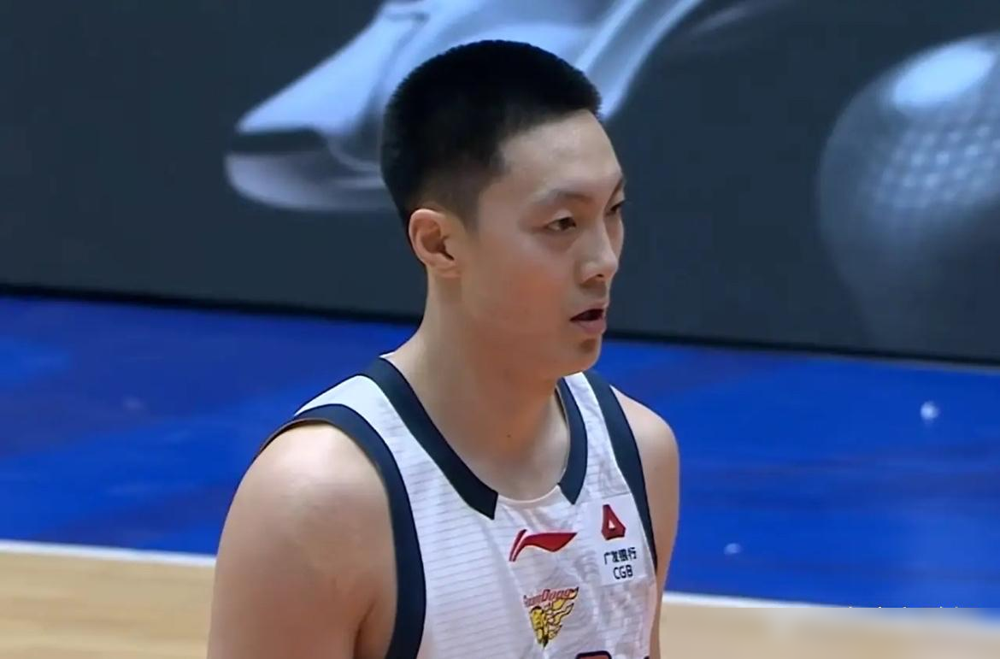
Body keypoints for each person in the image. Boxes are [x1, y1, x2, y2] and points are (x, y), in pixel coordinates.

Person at [207, 40, 680, 659]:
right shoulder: (316, 501)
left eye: (613, 211)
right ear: (439, 244)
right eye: (562, 224)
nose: (604, 260)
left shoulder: (639, 453)